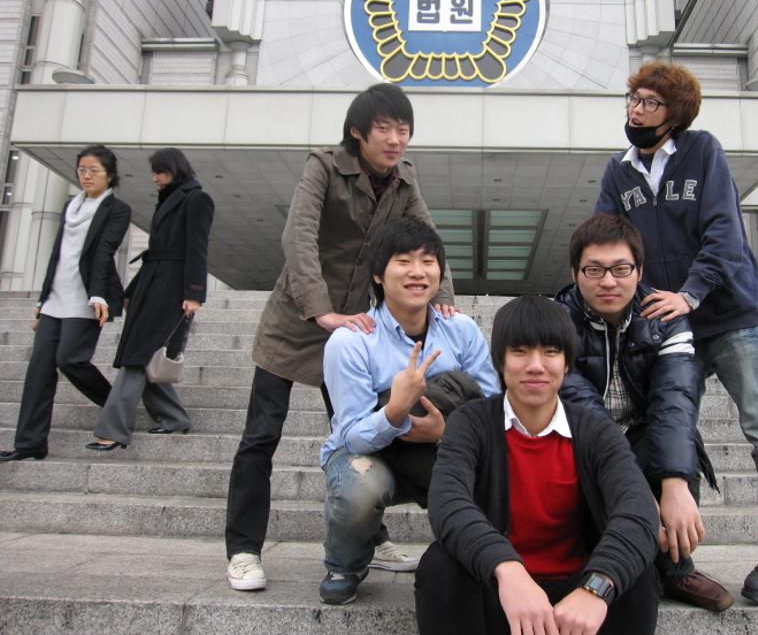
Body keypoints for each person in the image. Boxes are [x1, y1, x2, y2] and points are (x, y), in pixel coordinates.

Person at [224, 83, 456, 591]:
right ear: (357, 132)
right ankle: (243, 550)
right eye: (384, 129)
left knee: (361, 432)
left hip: (354, 330)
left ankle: (371, 539)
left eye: (403, 130)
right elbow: (298, 237)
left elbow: (427, 238)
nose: (395, 139)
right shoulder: (324, 166)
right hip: (295, 321)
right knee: (261, 436)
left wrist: (442, 298)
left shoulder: (404, 179)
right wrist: (320, 310)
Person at [594, 60, 758, 606]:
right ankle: (675, 558)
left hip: (728, 314)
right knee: (670, 428)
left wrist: (690, 293)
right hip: (669, 325)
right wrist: (636, 296)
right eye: (633, 99)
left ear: (675, 113)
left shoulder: (703, 151)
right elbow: (607, 240)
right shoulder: (618, 172)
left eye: (649, 102)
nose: (636, 110)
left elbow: (724, 232)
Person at [415, 295, 660, 635]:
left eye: (550, 352)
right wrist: (507, 567)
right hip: (499, 589)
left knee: (637, 576)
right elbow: (448, 503)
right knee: (440, 567)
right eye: (520, 351)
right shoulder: (470, 422)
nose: (535, 365)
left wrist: (596, 588)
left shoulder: (594, 429)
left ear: (567, 363)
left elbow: (637, 508)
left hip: (576, 600)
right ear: (500, 361)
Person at [555, 213, 732, 612]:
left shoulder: (665, 318)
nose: (608, 281)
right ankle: (600, 558)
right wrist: (635, 490)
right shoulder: (557, 321)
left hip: (641, 435)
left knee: (675, 443)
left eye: (621, 269)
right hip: (580, 440)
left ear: (638, 271)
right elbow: (579, 406)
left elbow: (674, 401)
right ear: (574, 273)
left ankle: (675, 568)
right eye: (594, 270)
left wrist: (674, 485)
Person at [319, 217, 499, 605]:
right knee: (360, 485)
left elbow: (492, 403)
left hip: (440, 449)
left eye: (428, 261)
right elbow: (352, 436)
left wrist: (444, 432)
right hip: (372, 453)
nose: (418, 272)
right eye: (403, 261)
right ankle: (345, 564)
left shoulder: (461, 329)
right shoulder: (350, 341)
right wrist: (395, 411)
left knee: (498, 466)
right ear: (378, 274)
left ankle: (478, 555)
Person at [0, 145, 130, 463]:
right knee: (39, 370)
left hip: (86, 299)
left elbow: (104, 252)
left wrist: (98, 294)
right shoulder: (70, 206)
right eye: (82, 169)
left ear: (109, 175)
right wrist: (42, 299)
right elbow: (57, 254)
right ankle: (30, 443)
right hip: (55, 298)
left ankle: (117, 407)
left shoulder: (117, 209)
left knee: (71, 359)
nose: (86, 175)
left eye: (94, 170)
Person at [87, 147, 214, 450]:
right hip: (152, 284)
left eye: (159, 172)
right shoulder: (168, 198)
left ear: (174, 169)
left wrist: (194, 293)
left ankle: (113, 430)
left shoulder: (197, 199)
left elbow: (198, 247)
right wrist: (132, 291)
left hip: (172, 289)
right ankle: (174, 418)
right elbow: (155, 252)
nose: (155, 178)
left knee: (138, 356)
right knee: (145, 355)